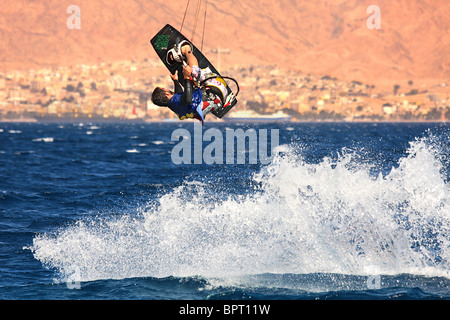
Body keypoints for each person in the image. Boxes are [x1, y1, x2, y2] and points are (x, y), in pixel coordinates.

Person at [151, 41, 228, 123]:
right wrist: (187, 77)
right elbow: (187, 99)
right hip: (217, 87)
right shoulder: (177, 101)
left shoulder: (175, 108)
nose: (166, 89)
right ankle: (186, 50)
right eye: (164, 89)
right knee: (194, 71)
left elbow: (180, 96)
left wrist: (176, 81)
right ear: (166, 93)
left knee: (192, 88)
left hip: (219, 101)